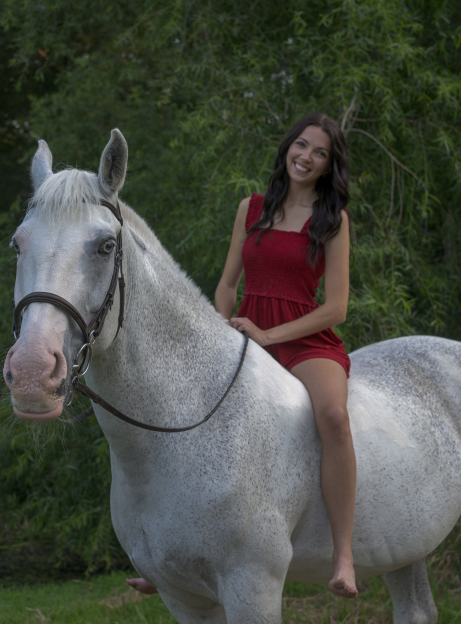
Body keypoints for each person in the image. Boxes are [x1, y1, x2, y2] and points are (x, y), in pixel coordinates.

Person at [127, 112, 357, 598]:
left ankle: (343, 555)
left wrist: (270, 336)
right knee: (193, 418)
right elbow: (228, 284)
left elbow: (336, 308)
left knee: (335, 418)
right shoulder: (251, 208)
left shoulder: (333, 221)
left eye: (319, 153)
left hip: (304, 339)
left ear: (328, 165)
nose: (306, 157)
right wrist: (219, 332)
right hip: (246, 333)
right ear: (288, 147)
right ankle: (166, 558)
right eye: (301, 145)